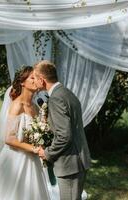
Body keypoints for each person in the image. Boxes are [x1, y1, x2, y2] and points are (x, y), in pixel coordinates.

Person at [0, 66, 52, 200]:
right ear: (22, 82)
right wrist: (34, 149)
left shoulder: (35, 107)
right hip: (15, 160)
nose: (36, 81)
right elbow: (9, 139)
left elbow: (40, 131)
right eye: (32, 78)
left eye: (37, 78)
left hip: (33, 160)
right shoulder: (17, 105)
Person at [33, 60, 91, 200]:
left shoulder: (56, 99)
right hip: (78, 160)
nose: (34, 81)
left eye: (35, 78)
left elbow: (64, 136)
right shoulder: (66, 93)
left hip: (69, 163)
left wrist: (47, 153)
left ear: (42, 79)